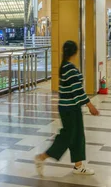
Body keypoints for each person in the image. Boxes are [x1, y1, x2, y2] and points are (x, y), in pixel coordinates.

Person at [35, 41, 100, 176]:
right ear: (75, 52)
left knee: (77, 136)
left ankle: (78, 165)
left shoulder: (66, 66)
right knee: (67, 136)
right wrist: (90, 105)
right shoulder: (68, 68)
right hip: (69, 108)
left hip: (71, 107)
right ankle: (42, 157)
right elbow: (77, 90)